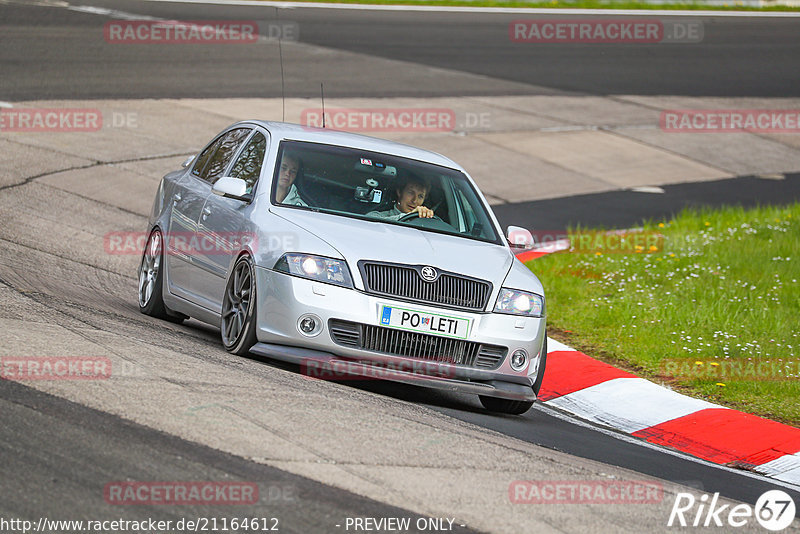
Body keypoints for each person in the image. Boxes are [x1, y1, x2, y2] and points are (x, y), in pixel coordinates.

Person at [367, 172, 434, 220]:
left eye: (420, 196)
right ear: (399, 192)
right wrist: (410, 216)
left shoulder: (426, 221)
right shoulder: (378, 215)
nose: (414, 200)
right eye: (411, 193)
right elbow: (370, 221)